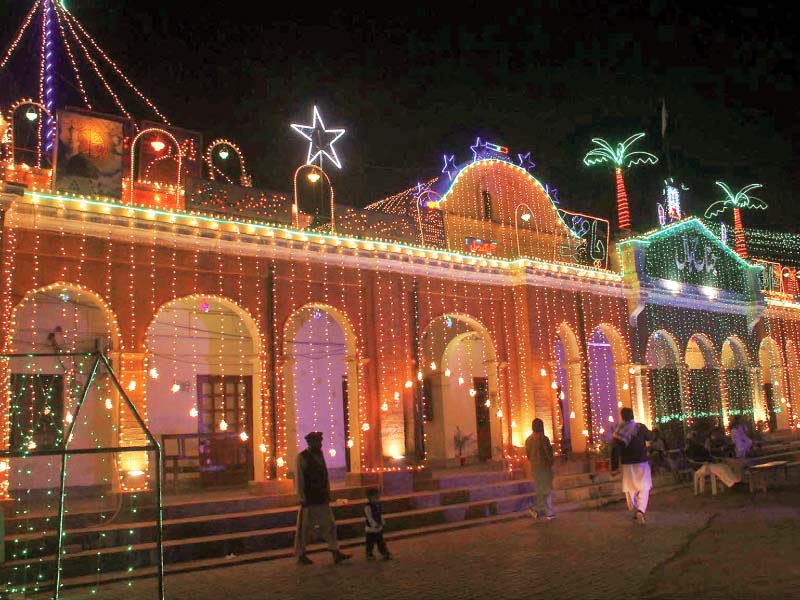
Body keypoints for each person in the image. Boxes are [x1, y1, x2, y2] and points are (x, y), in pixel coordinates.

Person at [294, 431, 351, 565]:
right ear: (310, 443)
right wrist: (301, 497)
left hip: (321, 497)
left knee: (330, 525)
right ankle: (301, 554)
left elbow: (324, 475)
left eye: (320, 441)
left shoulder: (320, 454)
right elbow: (299, 478)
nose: (320, 444)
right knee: (305, 527)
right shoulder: (302, 457)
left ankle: (335, 551)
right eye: (317, 442)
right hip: (309, 498)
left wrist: (327, 491)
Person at [611, 408, 653, 525]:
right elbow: (650, 437)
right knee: (644, 488)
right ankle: (641, 510)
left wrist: (614, 468)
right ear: (633, 415)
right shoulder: (640, 427)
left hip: (627, 465)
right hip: (641, 462)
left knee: (630, 490)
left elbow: (615, 450)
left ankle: (635, 511)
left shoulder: (618, 431)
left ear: (622, 417)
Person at [525, 418, 555, 520]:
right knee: (546, 489)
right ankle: (539, 509)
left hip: (535, 467)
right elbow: (548, 453)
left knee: (541, 489)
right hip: (544, 467)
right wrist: (551, 463)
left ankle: (548, 512)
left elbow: (528, 455)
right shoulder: (544, 439)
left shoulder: (528, 440)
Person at [364, 488, 392, 561]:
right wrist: (374, 524)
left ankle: (384, 552)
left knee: (381, 542)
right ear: (369, 498)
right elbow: (369, 517)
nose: (377, 499)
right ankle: (369, 554)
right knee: (370, 543)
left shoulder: (378, 505)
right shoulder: (367, 507)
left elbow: (380, 514)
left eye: (378, 497)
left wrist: (382, 522)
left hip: (378, 528)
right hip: (371, 529)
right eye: (375, 497)